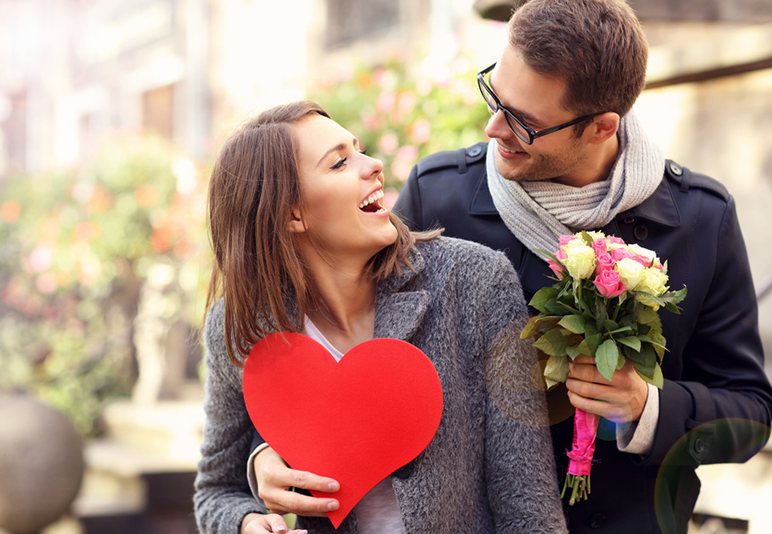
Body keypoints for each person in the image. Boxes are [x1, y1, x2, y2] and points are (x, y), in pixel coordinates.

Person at [391, 0, 772, 533]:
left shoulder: (703, 219)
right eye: (494, 96)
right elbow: (359, 352)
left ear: (600, 127)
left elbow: (750, 417)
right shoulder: (438, 198)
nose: (492, 128)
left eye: (523, 121)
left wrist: (648, 406)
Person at [193, 100, 567, 534]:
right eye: (339, 163)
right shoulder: (238, 327)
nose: (372, 165)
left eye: (360, 149)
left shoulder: (476, 283)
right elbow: (215, 490)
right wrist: (246, 523)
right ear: (292, 213)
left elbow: (528, 506)